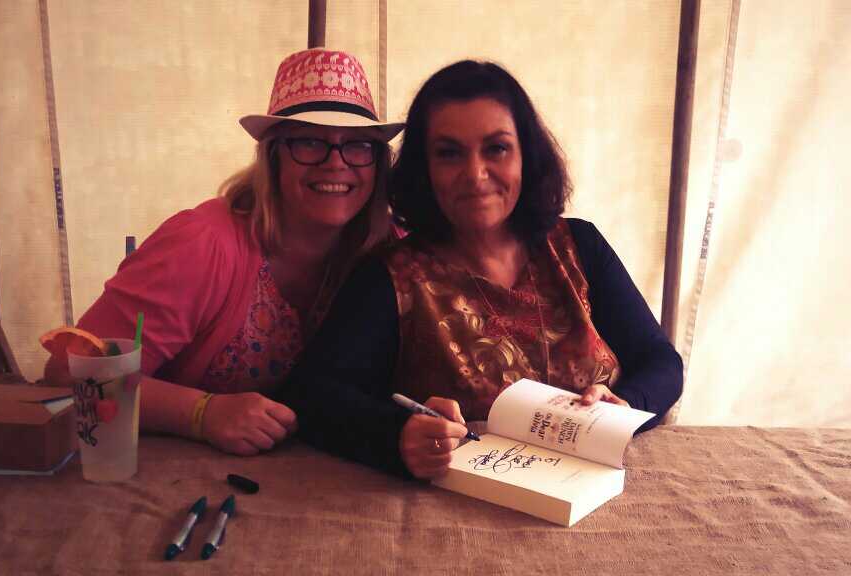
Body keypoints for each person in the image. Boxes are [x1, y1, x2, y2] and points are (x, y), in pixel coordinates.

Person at [279, 60, 683, 478]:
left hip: (607, 491)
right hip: (465, 519)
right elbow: (311, 395)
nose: (475, 174)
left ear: (527, 155)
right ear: (424, 167)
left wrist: (628, 404)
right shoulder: (393, 277)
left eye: (497, 148)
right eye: (449, 153)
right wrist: (395, 434)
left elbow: (661, 362)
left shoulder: (580, 246)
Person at [47, 48, 404, 456]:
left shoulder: (389, 249)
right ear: (273, 157)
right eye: (309, 142)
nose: (336, 163)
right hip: (178, 478)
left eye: (358, 145)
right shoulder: (201, 244)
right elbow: (69, 377)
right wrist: (202, 413)